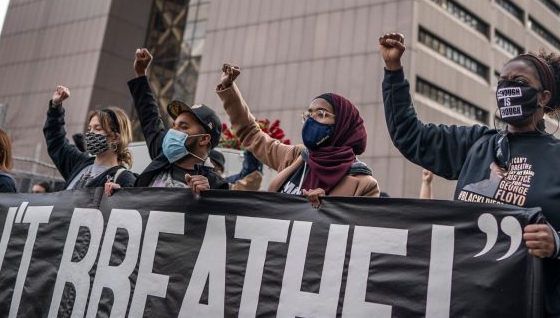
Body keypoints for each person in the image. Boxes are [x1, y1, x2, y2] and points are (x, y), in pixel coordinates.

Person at [379, 32, 560, 318]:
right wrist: (393, 71)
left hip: (539, 316)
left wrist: (559, 243)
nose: (507, 89)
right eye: (502, 82)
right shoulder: (475, 145)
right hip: (469, 310)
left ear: (544, 97)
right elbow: (410, 136)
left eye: (519, 83)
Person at [216, 63, 379, 207]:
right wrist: (229, 89)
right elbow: (252, 134)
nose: (311, 120)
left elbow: (359, 234)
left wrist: (327, 208)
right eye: (309, 115)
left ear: (344, 124)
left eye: (321, 114)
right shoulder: (296, 157)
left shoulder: (364, 185)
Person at [105, 48, 227, 196]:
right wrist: (141, 73)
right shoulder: (162, 155)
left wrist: (208, 198)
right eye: (174, 125)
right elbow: (149, 117)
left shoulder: (216, 186)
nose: (173, 132)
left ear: (203, 139)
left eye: (183, 127)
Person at [44, 85, 137, 189]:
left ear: (115, 138)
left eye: (97, 129)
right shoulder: (80, 163)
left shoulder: (123, 178)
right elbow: (56, 141)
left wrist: (119, 195)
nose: (90, 133)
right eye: (89, 129)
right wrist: (55, 107)